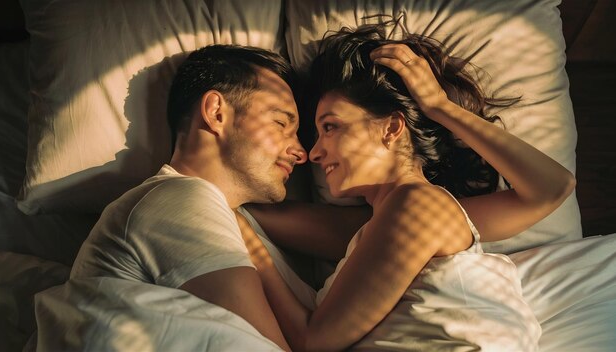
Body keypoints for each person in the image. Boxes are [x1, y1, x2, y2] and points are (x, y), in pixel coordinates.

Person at [236, 24, 576, 351]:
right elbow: (258, 214)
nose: (314, 152)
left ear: (391, 128)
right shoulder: (375, 228)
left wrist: (440, 107)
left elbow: (553, 187)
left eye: (330, 127)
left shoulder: (420, 208)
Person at [69, 45, 309, 351]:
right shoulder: (178, 199)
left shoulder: (238, 217)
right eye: (280, 123)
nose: (301, 152)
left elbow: (371, 227)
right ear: (217, 112)